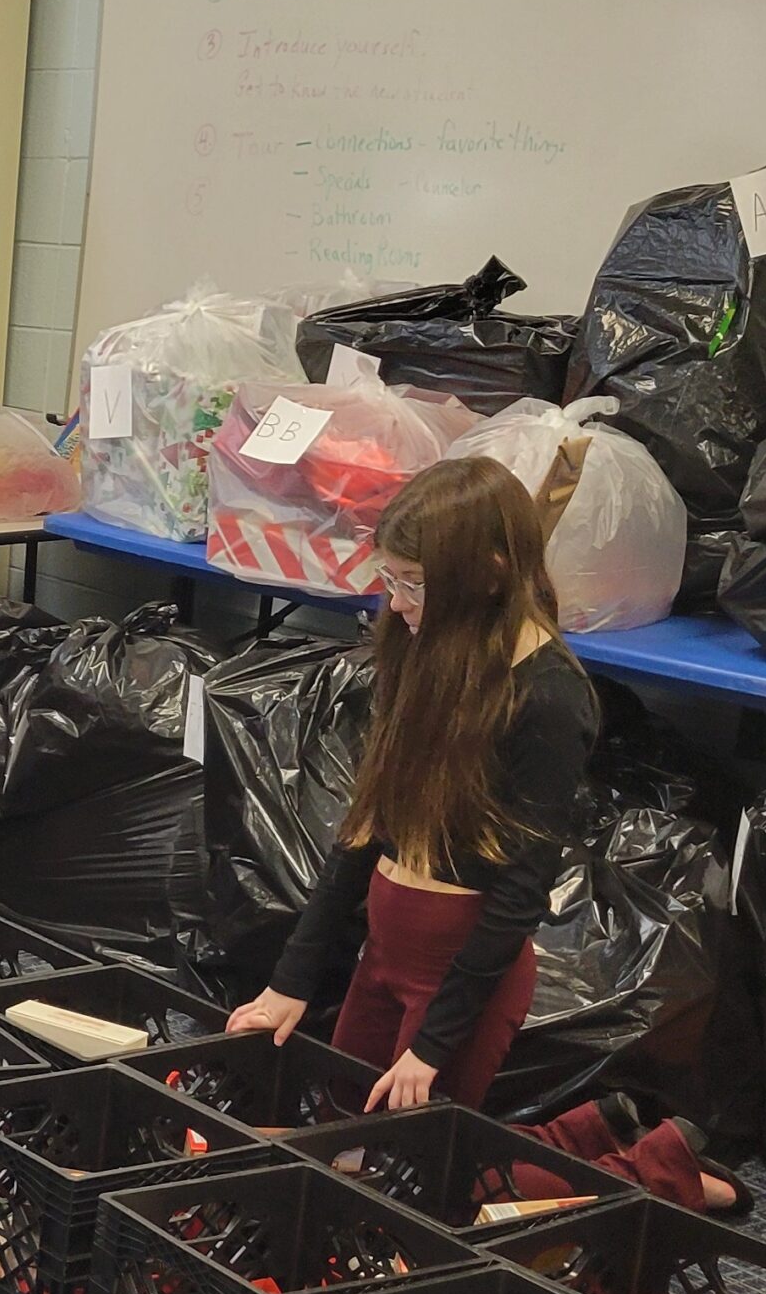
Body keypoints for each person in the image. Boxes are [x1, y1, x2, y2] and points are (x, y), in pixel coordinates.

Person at [227, 455, 598, 1116]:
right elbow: (365, 824)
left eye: (416, 584)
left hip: (459, 968)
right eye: (390, 578)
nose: (396, 602)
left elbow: (521, 888)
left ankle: (626, 1145)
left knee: (412, 1154)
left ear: (490, 575)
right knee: (339, 1130)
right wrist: (291, 979)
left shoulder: (549, 697)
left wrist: (432, 1046)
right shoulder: (425, 651)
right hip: (386, 947)